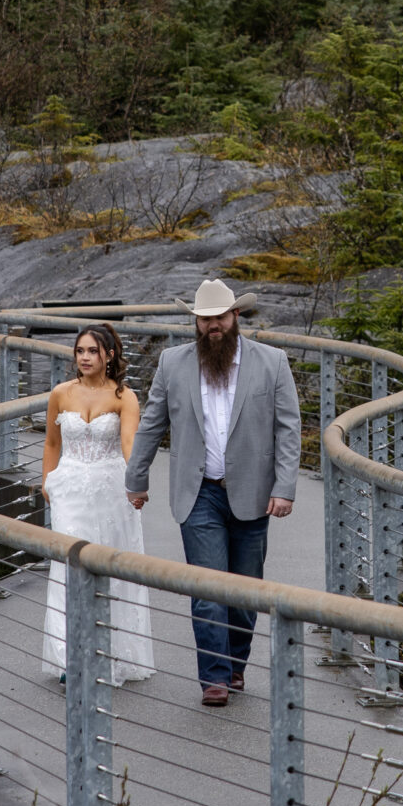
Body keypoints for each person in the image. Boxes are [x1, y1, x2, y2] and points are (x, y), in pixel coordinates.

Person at [125, 280, 300, 707]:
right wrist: (136, 478)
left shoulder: (272, 362)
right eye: (204, 320)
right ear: (196, 322)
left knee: (243, 594)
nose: (212, 327)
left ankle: (236, 665)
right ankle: (215, 678)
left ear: (236, 316)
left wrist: (284, 487)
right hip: (197, 493)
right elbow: (151, 423)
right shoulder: (172, 363)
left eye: (219, 318)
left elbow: (288, 429)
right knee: (207, 590)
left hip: (254, 494)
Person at [41, 322, 154, 685]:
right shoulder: (60, 393)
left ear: (109, 355)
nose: (85, 358)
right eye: (80, 351)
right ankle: (68, 656)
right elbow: (52, 443)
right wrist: (48, 482)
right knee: (67, 568)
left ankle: (109, 653)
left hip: (110, 490)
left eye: (92, 351)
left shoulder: (125, 397)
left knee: (108, 567)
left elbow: (128, 443)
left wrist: (136, 484)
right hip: (69, 489)